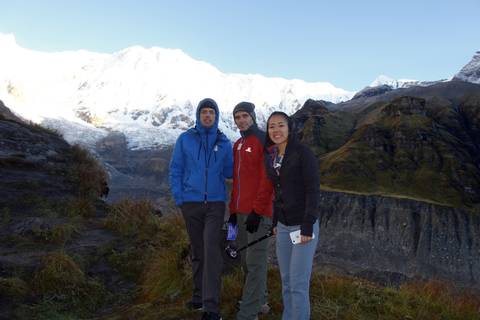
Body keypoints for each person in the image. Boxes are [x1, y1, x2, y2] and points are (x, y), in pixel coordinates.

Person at [169, 98, 233, 320]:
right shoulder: (185, 139)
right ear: (198, 115)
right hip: (191, 203)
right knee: (198, 251)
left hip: (215, 204)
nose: (208, 115)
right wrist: (180, 199)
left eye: (211, 112)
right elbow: (175, 169)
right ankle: (198, 297)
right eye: (204, 112)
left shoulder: (224, 143)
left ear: (216, 117)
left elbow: (230, 172)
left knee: (211, 252)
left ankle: (211, 308)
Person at [264, 111, 320, 320]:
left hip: (302, 227)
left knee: (298, 284)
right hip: (283, 226)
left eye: (280, 125)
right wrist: (275, 222)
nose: (276, 130)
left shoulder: (302, 153)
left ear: (289, 128)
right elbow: (278, 191)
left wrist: (307, 226)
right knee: (286, 280)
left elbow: (313, 190)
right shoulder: (272, 156)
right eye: (272, 126)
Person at [227, 102, 273, 320]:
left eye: (245, 115)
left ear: (253, 117)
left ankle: (247, 313)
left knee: (255, 263)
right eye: (237, 117)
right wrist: (233, 211)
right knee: (246, 260)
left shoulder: (263, 140)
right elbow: (238, 181)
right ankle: (261, 300)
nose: (242, 120)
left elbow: (268, 179)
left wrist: (258, 210)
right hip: (241, 213)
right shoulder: (237, 144)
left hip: (259, 214)